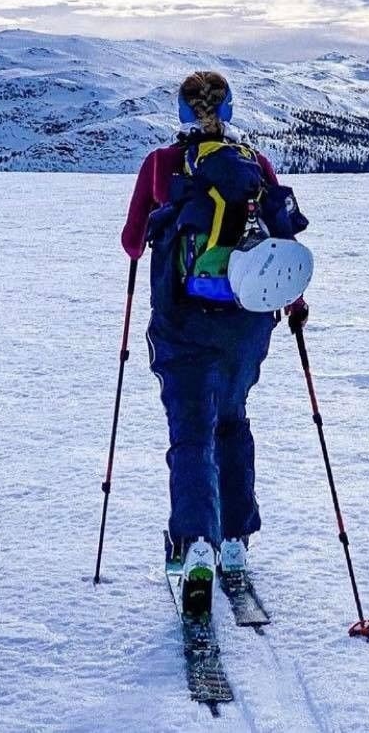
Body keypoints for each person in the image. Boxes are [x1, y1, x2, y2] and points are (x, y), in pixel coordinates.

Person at [121, 70, 308, 617]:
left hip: (182, 322)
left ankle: (196, 544)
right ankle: (234, 543)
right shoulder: (254, 163)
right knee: (232, 420)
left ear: (181, 111)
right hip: (247, 325)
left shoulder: (160, 165)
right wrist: (294, 307)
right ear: (228, 110)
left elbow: (132, 242)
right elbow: (282, 243)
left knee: (190, 431)